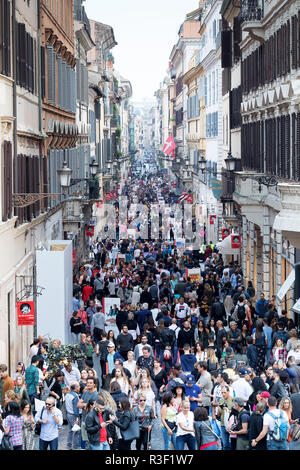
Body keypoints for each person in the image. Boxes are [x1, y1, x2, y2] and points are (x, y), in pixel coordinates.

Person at [65, 382, 81, 450]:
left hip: (68, 414)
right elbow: (76, 408)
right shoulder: (75, 396)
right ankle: (75, 446)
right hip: (73, 415)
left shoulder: (67, 394)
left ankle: (69, 445)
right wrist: (77, 417)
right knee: (76, 431)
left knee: (70, 430)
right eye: (78, 386)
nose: (79, 388)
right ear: (76, 388)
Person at [217, 385, 233, 450]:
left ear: (228, 392)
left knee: (231, 443)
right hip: (223, 424)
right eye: (222, 392)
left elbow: (235, 412)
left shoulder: (232, 400)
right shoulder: (221, 400)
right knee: (224, 444)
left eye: (225, 392)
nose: (223, 394)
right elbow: (218, 415)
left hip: (231, 425)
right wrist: (219, 409)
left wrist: (227, 410)